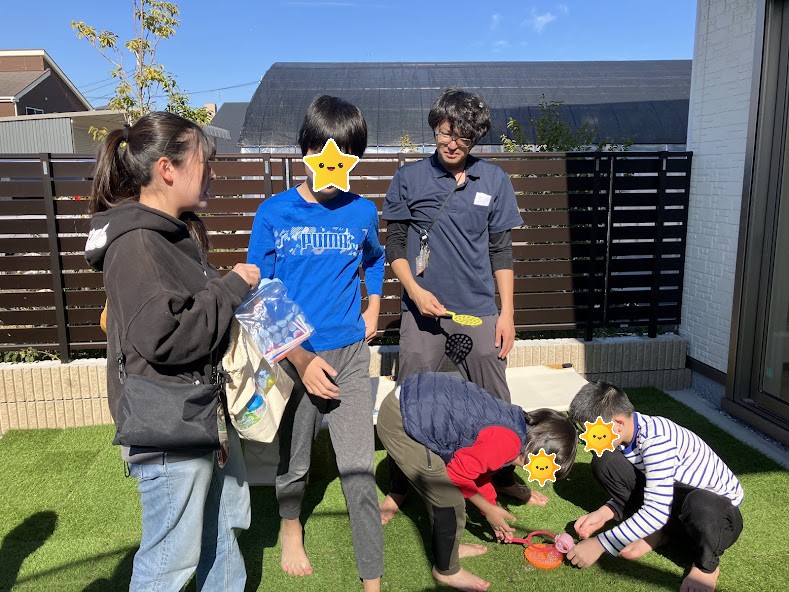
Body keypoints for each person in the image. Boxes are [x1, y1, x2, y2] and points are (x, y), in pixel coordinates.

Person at [84, 111, 260, 591]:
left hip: (198, 415)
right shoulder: (138, 243)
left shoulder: (171, 234)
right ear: (167, 168)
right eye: (205, 162)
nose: (212, 174)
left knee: (221, 535)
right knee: (169, 561)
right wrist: (230, 288)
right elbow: (164, 336)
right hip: (168, 427)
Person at [247, 95, 385, 591]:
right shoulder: (274, 212)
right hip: (293, 357)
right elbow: (258, 295)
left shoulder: (362, 211)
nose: (332, 165)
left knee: (359, 471)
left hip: (350, 356)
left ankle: (373, 582)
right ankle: (291, 527)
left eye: (346, 155)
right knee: (295, 462)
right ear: (305, 150)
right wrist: (301, 359)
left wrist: (373, 306)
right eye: (323, 151)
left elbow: (374, 259)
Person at [381, 88, 532, 522]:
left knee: (496, 400)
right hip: (422, 313)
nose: (452, 143)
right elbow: (395, 243)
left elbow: (501, 251)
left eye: (463, 137)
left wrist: (507, 314)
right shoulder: (409, 177)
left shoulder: (494, 180)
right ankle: (401, 486)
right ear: (435, 128)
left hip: (480, 311)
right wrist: (414, 291)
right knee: (413, 399)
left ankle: (502, 477)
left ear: (475, 138)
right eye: (446, 133)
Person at [376, 371, 577, 592]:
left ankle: (450, 549)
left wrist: (490, 507)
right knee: (449, 501)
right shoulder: (508, 444)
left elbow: (478, 469)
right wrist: (488, 509)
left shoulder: (518, 424)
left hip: (410, 400)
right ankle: (446, 571)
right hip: (400, 422)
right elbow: (457, 474)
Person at [566, 382, 744, 592]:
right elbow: (648, 483)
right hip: (675, 500)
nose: (588, 441)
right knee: (605, 462)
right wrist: (607, 511)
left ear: (618, 424)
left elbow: (657, 510)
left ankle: (705, 566)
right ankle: (662, 532)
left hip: (717, 517)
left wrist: (599, 544)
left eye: (592, 434)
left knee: (699, 504)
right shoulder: (626, 434)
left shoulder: (656, 441)